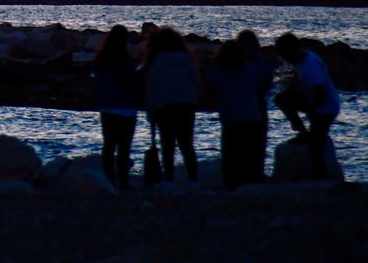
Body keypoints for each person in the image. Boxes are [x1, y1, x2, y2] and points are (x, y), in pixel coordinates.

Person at [273, 32, 341, 179]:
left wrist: (311, 112)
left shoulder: (311, 65)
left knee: (316, 144)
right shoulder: (302, 59)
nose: (284, 58)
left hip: (326, 107)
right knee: (281, 99)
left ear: (292, 50)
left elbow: (321, 95)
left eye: (284, 54)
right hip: (313, 100)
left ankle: (320, 177)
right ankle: (303, 133)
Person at [142, 27, 199, 185]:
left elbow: (152, 88)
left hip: (164, 106)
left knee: (167, 145)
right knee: (187, 144)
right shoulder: (186, 59)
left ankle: (168, 179)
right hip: (186, 105)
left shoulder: (156, 62)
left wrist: (150, 111)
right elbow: (195, 80)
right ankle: (193, 179)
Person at [206, 40, 265, 189]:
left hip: (231, 120)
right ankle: (253, 186)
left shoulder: (217, 71)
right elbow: (265, 74)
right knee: (251, 158)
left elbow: (209, 89)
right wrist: (252, 53)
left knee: (230, 159)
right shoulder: (251, 69)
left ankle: (232, 187)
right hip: (252, 119)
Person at [91, 25, 140, 190]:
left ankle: (109, 180)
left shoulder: (101, 59)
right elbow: (131, 81)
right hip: (125, 108)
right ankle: (124, 182)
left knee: (109, 145)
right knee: (124, 147)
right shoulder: (123, 59)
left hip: (107, 108)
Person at [237, 29, 274, 180]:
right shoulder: (260, 63)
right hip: (255, 110)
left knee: (252, 148)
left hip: (250, 110)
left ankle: (252, 177)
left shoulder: (246, 63)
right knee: (254, 148)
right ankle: (254, 177)